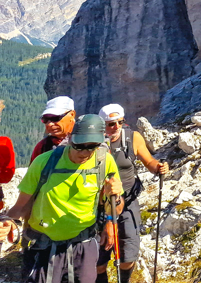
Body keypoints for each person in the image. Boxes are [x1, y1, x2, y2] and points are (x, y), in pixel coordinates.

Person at [0, 114, 124, 283]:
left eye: (92, 146)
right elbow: (22, 206)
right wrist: (9, 221)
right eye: (79, 146)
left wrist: (116, 198)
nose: (85, 152)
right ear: (70, 138)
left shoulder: (104, 162)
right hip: (44, 246)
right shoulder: (44, 162)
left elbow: (116, 208)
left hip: (83, 244)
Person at [96, 104, 169, 283]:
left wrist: (158, 168)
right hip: (99, 205)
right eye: (111, 124)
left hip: (127, 203)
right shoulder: (94, 143)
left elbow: (149, 161)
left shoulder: (133, 138)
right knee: (98, 259)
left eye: (120, 122)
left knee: (128, 255)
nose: (116, 127)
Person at [30, 97, 76, 162]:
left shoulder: (86, 142)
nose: (49, 124)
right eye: (45, 119)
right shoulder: (42, 146)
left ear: (72, 114)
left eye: (55, 118)